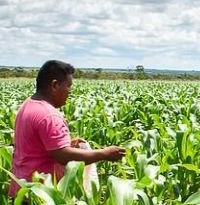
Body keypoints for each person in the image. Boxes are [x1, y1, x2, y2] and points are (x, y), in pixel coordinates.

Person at [8, 60, 126, 197]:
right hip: (42, 195)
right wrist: (104, 154)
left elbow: (37, 147)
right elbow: (63, 156)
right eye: (68, 86)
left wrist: (66, 144)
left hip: (22, 189)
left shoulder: (28, 105)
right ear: (55, 85)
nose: (70, 92)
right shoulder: (49, 115)